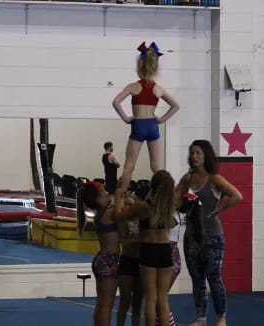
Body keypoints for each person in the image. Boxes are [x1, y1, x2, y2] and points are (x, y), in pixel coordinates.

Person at [176, 139, 242, 326]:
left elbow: (237, 195)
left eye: (198, 153)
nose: (194, 156)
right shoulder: (187, 178)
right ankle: (201, 318)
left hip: (213, 236)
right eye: (192, 153)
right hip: (192, 236)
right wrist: (181, 205)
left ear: (206, 155)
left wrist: (219, 209)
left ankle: (221, 316)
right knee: (197, 280)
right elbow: (175, 201)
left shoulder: (214, 178)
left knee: (213, 277)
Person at [112, 41, 179, 196]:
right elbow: (175, 106)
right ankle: (166, 196)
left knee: (129, 166)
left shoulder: (133, 86)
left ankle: (119, 197)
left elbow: (115, 102)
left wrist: (126, 118)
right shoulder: (158, 88)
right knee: (156, 167)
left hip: (138, 125)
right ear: (154, 68)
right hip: (152, 125)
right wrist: (161, 119)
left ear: (139, 67)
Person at [115, 170, 177, 326]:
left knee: (150, 298)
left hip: (149, 250)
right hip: (165, 250)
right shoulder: (168, 208)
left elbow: (118, 216)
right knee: (163, 299)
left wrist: (118, 195)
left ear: (152, 186)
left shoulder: (142, 207)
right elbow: (173, 223)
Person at [76, 181, 119, 326]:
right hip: (110, 261)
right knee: (107, 306)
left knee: (100, 304)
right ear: (99, 199)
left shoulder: (98, 214)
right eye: (105, 193)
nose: (108, 194)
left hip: (100, 259)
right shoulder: (110, 213)